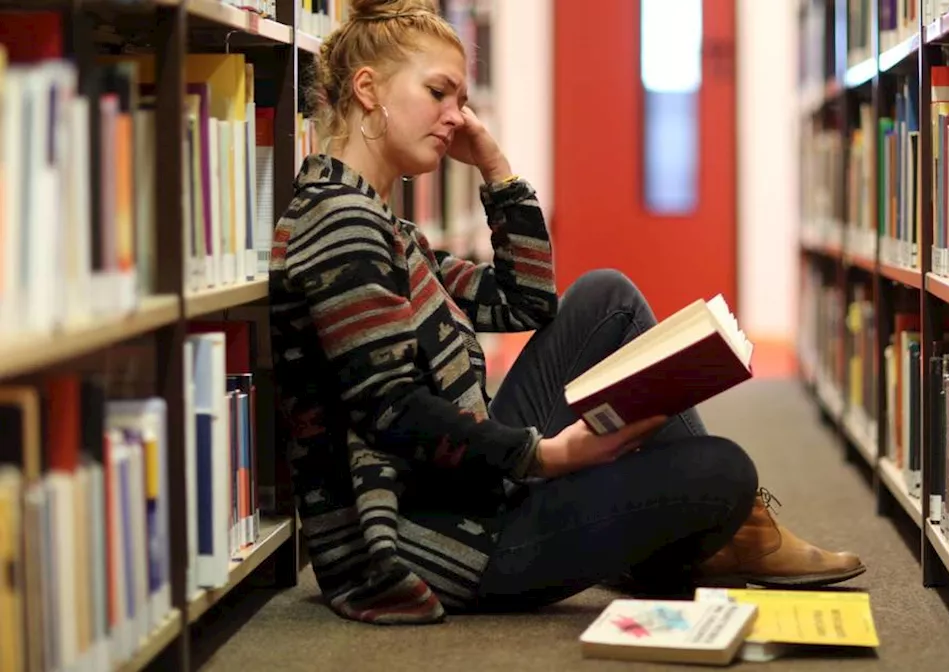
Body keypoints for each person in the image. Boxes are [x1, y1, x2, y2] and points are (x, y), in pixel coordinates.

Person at [269, 0, 865, 625]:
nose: (457, 117)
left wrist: (497, 171)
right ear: (368, 90)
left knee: (606, 297)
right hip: (430, 539)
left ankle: (718, 535)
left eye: (461, 99)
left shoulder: (382, 224)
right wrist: (547, 456)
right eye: (438, 92)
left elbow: (526, 302)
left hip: (456, 487)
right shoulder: (342, 226)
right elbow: (391, 410)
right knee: (723, 471)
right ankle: (718, 534)